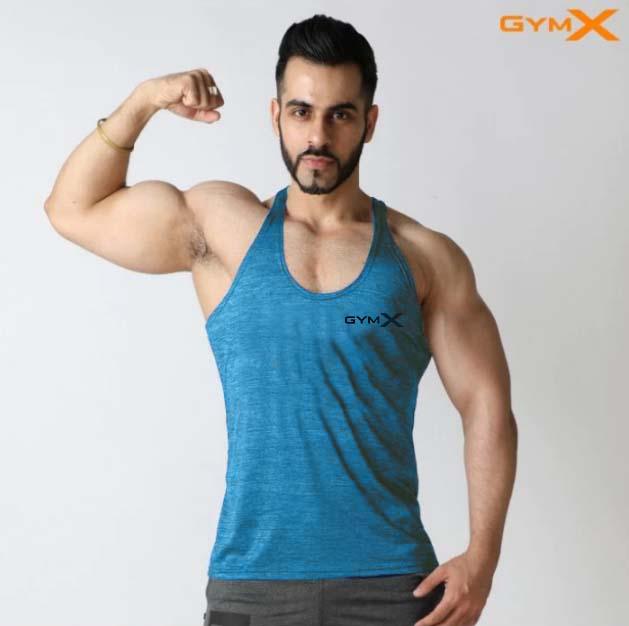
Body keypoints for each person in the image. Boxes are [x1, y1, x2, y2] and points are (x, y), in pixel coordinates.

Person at [44, 13, 517, 626]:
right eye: (300, 112)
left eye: (340, 114)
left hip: (392, 587)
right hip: (251, 586)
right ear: (275, 116)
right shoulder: (223, 229)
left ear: (369, 123)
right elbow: (73, 209)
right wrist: (144, 101)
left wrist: (482, 559)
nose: (317, 135)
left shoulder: (423, 257)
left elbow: (486, 404)